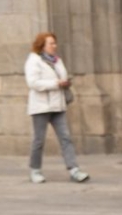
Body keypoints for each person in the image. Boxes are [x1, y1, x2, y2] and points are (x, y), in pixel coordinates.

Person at [24, 32, 89, 184]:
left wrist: (65, 82)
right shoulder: (33, 61)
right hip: (41, 106)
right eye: (51, 43)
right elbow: (33, 83)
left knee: (65, 137)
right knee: (39, 140)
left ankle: (74, 169)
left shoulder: (57, 60)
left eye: (55, 43)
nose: (54, 46)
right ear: (42, 46)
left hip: (58, 104)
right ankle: (35, 170)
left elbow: (62, 77)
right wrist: (56, 83)